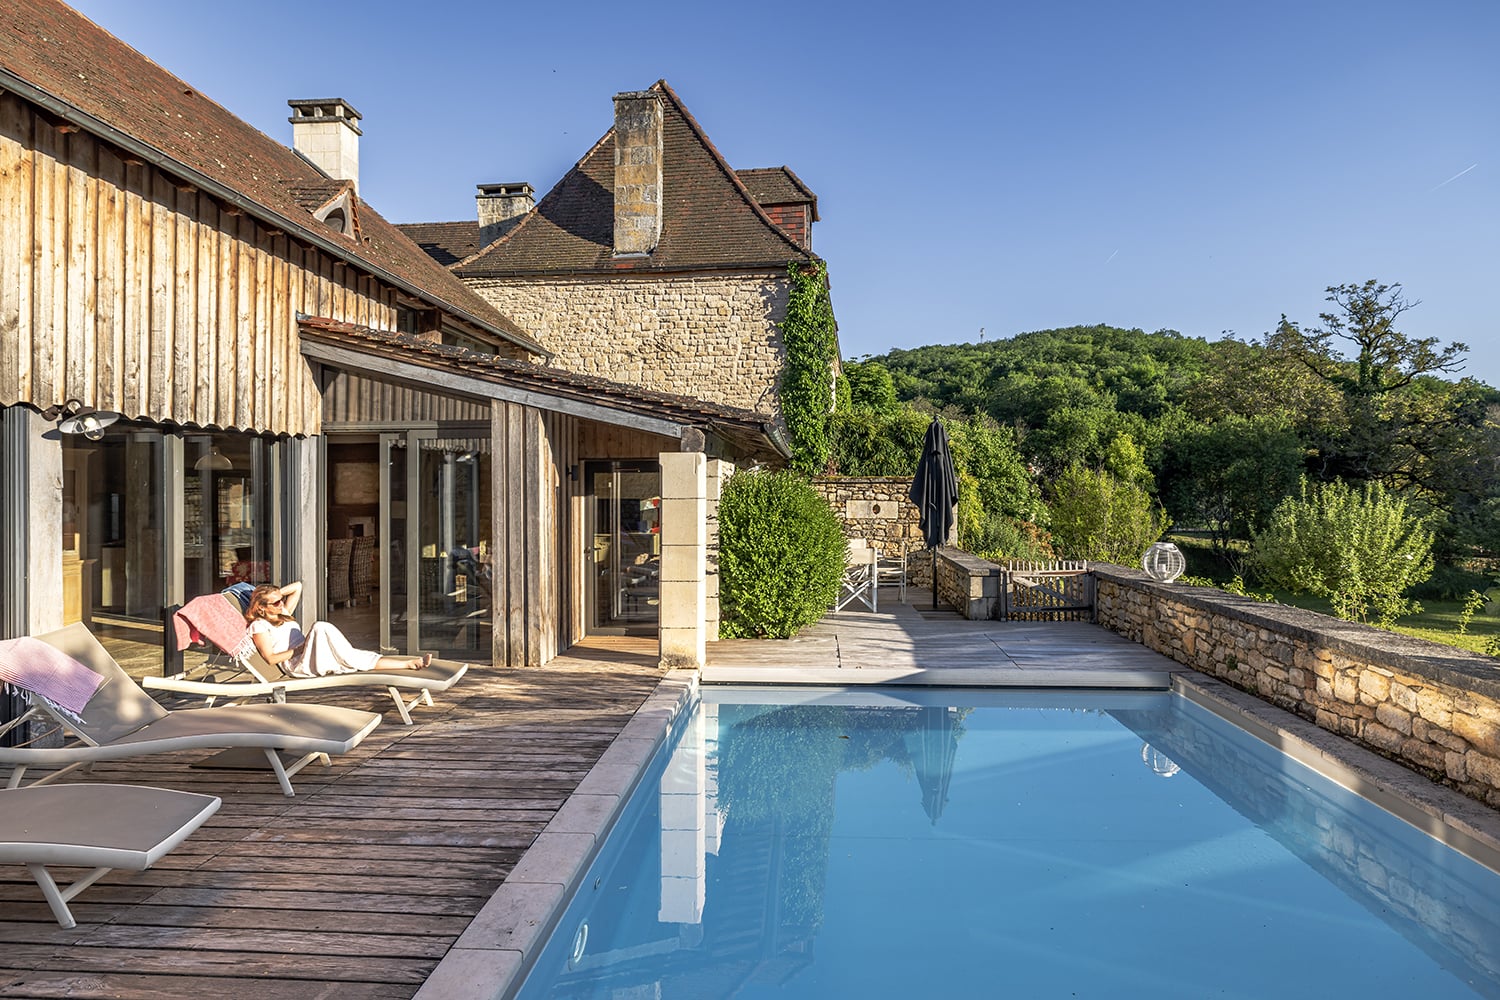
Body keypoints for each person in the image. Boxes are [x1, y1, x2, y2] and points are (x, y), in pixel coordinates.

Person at [245, 581, 431, 677]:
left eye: (280, 600)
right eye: (276, 602)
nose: (280, 603)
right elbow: (270, 659)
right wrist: (300, 649)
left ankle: (408, 664)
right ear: (261, 607)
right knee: (320, 626)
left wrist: (274, 594)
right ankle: (409, 664)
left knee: (349, 655)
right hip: (297, 663)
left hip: (308, 653)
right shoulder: (259, 626)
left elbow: (297, 587)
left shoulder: (282, 612)